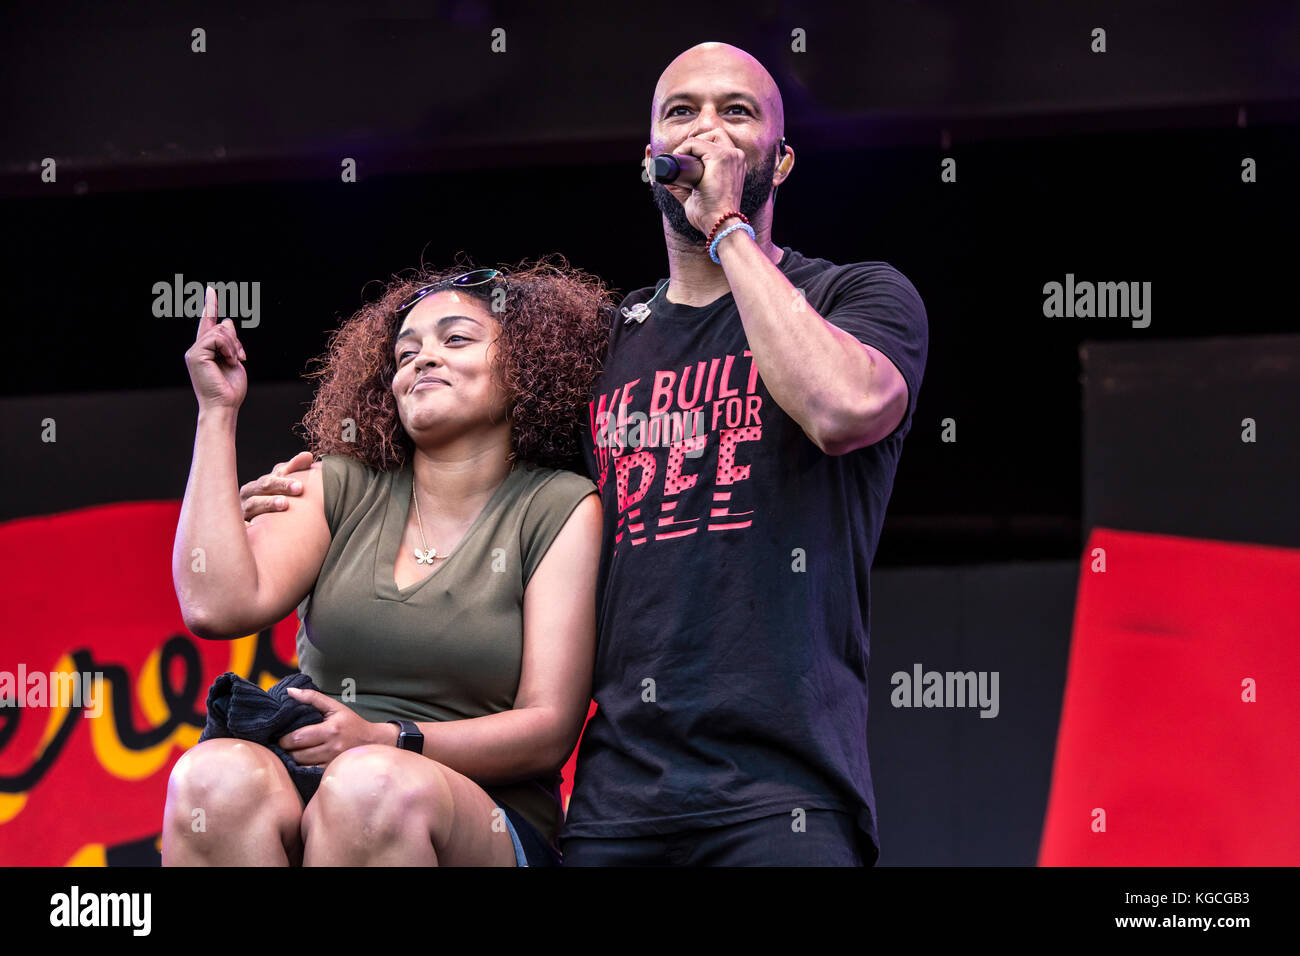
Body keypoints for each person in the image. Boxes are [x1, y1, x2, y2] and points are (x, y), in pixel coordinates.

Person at [243, 42, 929, 866]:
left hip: (785, 794)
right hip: (616, 800)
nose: (706, 130)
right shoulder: (603, 346)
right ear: (651, 160)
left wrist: (727, 231)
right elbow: (470, 454)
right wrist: (334, 475)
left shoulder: (854, 296)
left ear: (780, 161)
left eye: (736, 112)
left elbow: (842, 408)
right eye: (682, 112)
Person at [164, 259, 609, 866]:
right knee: (211, 779)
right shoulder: (341, 484)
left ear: (524, 366)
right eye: (405, 354)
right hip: (325, 783)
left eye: (456, 339)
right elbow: (216, 606)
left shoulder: (557, 504)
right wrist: (217, 412)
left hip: (478, 812)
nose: (423, 359)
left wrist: (387, 739)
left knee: (371, 787)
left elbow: (548, 729)